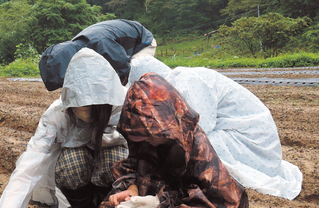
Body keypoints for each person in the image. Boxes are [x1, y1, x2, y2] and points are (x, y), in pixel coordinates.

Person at [97, 73, 249, 208]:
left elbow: (219, 201)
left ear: (164, 124)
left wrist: (159, 202)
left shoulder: (198, 147)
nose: (144, 141)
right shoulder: (148, 140)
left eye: (147, 134)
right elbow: (134, 167)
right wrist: (132, 189)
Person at [0, 48, 128, 208]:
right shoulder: (56, 116)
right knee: (72, 161)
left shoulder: (124, 106)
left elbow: (145, 151)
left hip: (111, 167)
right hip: (78, 168)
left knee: (115, 160)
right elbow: (29, 165)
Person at [128, 56, 302, 200]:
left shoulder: (185, 80)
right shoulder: (171, 89)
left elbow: (199, 128)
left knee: (199, 145)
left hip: (251, 139)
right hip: (238, 135)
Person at [39, 19, 157, 91]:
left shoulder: (101, 45)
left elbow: (124, 70)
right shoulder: (76, 48)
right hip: (120, 45)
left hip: (142, 42)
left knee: (131, 87)